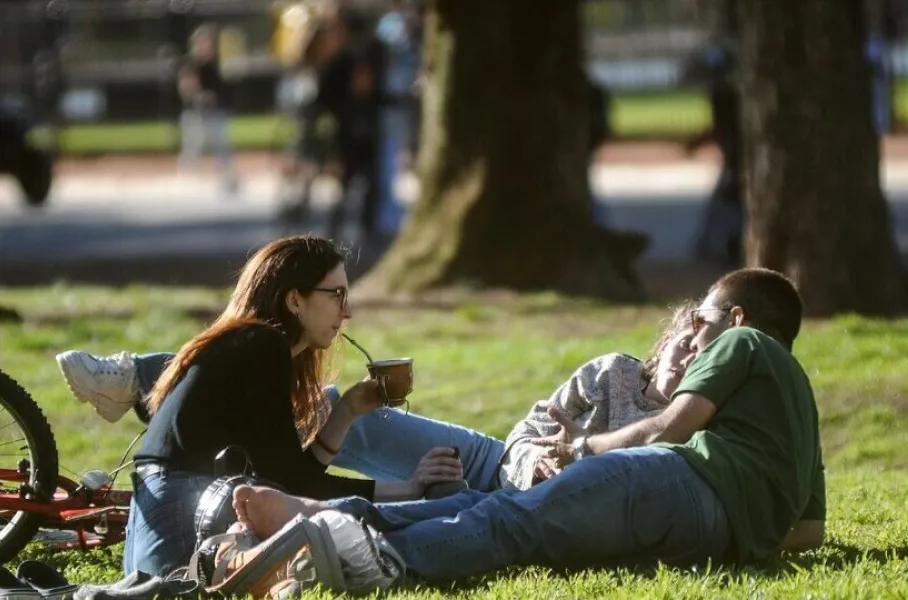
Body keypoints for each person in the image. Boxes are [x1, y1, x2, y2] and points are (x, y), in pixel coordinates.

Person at [227, 267, 825, 586]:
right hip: (699, 521)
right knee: (507, 515)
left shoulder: (739, 341)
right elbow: (806, 531)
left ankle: (369, 553)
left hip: (668, 481)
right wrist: (721, 535)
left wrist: (579, 449)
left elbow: (665, 431)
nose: (694, 335)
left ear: (738, 319)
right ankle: (323, 521)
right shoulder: (795, 401)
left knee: (511, 522)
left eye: (703, 321)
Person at [57, 299, 697, 495]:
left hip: (499, 504)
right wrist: (538, 459)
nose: (689, 352)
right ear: (666, 335)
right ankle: (143, 378)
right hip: (492, 462)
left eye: (705, 350)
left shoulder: (701, 422)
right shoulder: (615, 372)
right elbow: (531, 429)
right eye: (686, 336)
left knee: (285, 468)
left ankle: (125, 488)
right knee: (334, 400)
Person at [115, 235, 461, 577]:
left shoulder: (252, 344)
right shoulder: (263, 345)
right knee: (351, 525)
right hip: (180, 503)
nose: (348, 311)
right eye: (337, 294)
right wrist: (409, 489)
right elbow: (295, 484)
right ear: (295, 300)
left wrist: (348, 410)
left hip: (165, 503)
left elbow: (290, 476)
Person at [177, 24, 240, 195]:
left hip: (216, 110)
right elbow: (185, 85)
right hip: (195, 110)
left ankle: (226, 175)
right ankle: (188, 177)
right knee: (193, 142)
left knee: (222, 142)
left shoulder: (219, 62)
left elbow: (226, 85)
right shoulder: (191, 62)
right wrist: (198, 96)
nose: (206, 46)